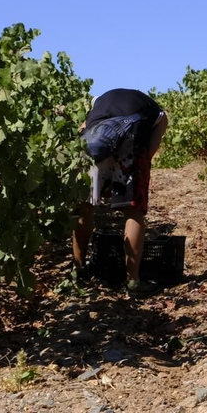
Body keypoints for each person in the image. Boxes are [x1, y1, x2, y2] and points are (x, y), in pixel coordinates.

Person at [73, 88, 169, 296]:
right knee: (132, 211)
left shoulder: (98, 106)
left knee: (85, 208)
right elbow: (152, 146)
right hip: (132, 138)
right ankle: (133, 282)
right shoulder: (157, 113)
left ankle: (79, 271)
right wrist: (139, 170)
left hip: (95, 139)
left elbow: (82, 132)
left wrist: (99, 183)